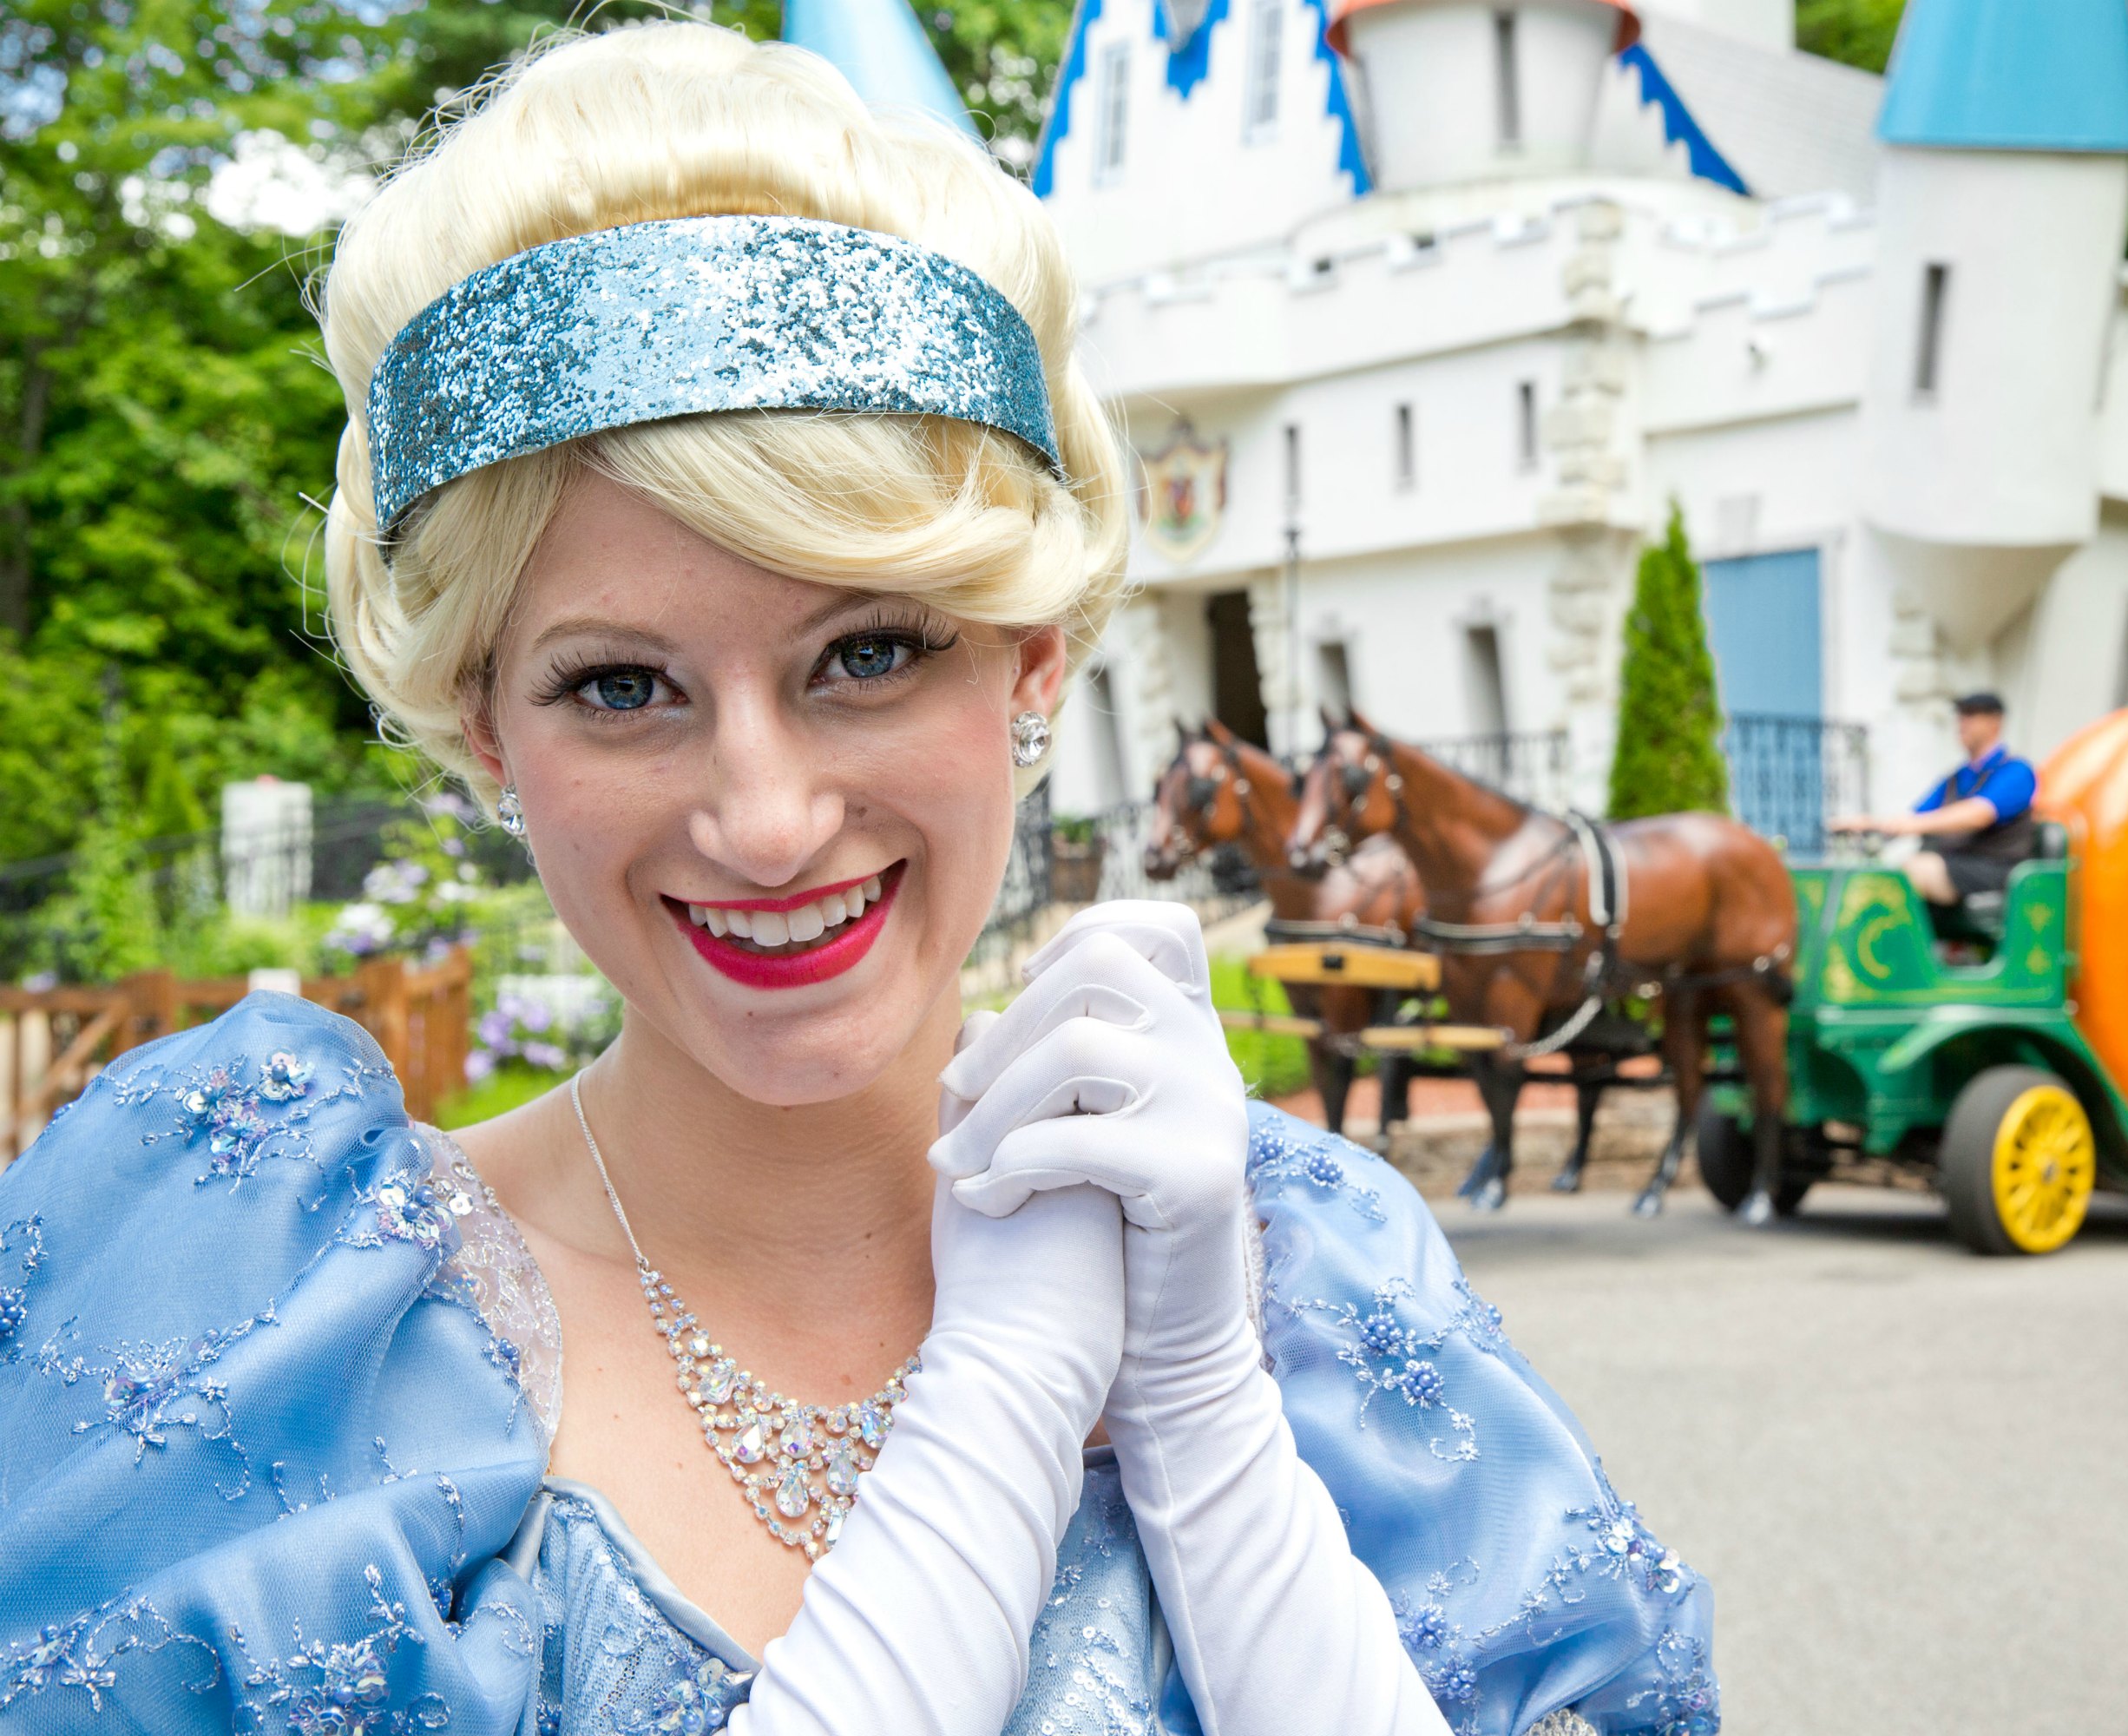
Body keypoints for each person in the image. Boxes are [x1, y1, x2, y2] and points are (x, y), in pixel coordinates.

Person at [0, 23, 1715, 1736]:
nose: (763, 816)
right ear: (482, 727)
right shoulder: (283, 1324)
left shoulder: (1313, 1279)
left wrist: (1204, 1413)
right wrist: (1009, 1399)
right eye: (621, 685)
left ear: (1033, 667)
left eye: (870, 653)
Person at [1834, 692, 2039, 910]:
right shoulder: (1955, 778)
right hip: (1952, 865)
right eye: (1961, 715)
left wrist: (1909, 825)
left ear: (1994, 723)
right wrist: (1870, 824)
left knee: (1914, 869)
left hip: (1996, 870)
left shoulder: (2017, 772)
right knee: (1886, 871)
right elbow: (1916, 817)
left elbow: (1978, 814)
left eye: (1971, 715)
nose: (1962, 723)